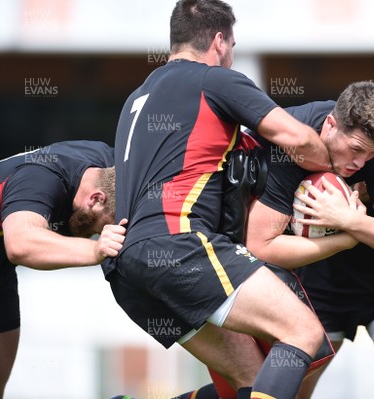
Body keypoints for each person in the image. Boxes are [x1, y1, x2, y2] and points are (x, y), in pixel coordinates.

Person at [102, 0, 335, 398]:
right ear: (219, 41)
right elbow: (298, 139)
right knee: (303, 332)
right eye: (232, 46)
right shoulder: (213, 80)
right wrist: (333, 169)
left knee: (251, 376)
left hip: (124, 268)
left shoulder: (135, 99)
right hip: (179, 244)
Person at [245, 81, 374, 398]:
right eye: (355, 150)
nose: (360, 163)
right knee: (282, 392)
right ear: (330, 124)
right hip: (314, 289)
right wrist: (345, 239)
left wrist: (351, 221)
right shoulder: (291, 143)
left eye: (371, 154)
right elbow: (261, 245)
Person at [0, 140, 126, 399]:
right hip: (7, 243)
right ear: (97, 199)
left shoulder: (109, 166)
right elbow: (20, 243)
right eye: (102, 227)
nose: (98, 234)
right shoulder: (38, 179)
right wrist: (94, 250)